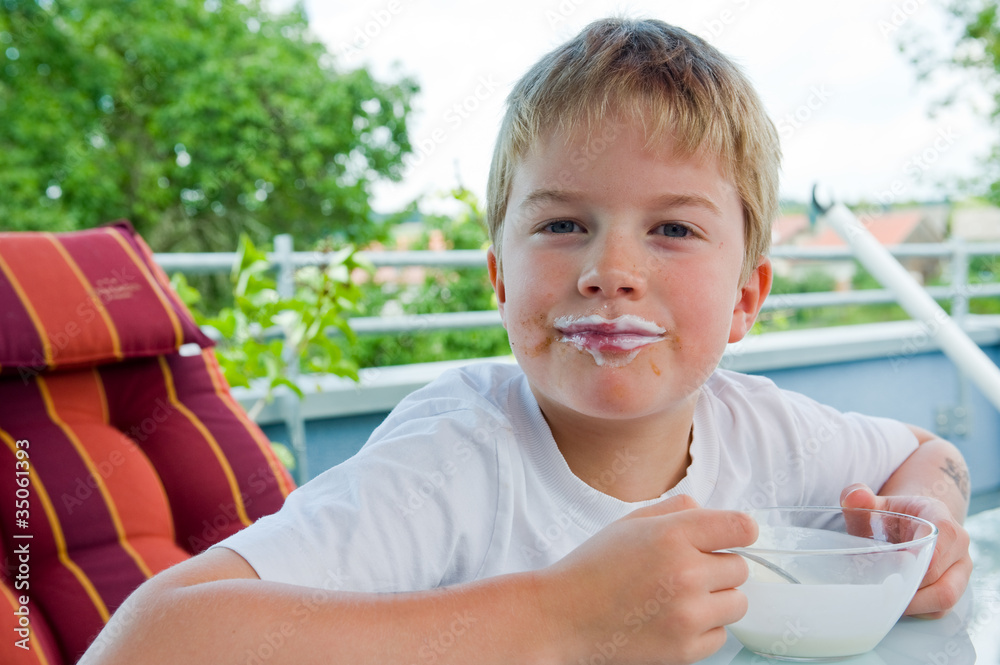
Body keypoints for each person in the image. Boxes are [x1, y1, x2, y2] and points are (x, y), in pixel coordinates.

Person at [82, 17, 972, 665]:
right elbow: (139, 646)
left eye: (672, 230)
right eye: (561, 225)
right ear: (500, 278)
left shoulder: (769, 433)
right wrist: (556, 618)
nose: (611, 269)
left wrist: (925, 520)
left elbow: (930, 454)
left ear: (747, 296)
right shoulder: (452, 459)